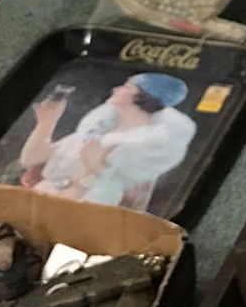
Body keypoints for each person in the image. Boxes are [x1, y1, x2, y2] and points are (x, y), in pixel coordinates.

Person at [19, 72, 196, 210]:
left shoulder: (145, 147)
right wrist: (46, 123)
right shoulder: (97, 130)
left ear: (143, 96)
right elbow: (31, 160)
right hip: (33, 206)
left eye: (127, 86)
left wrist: (95, 165)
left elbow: (120, 198)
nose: (116, 89)